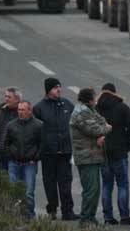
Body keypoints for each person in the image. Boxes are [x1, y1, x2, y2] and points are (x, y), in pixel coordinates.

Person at [33, 77, 78, 221]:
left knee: (66, 182)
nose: (58, 89)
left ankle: (68, 211)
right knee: (50, 182)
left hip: (65, 151)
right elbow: (35, 130)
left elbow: (77, 122)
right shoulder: (39, 108)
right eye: (55, 87)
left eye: (59, 86)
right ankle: (52, 210)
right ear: (48, 90)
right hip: (48, 152)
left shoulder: (67, 104)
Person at [96, 83, 130, 226]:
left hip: (103, 152)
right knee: (122, 184)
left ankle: (108, 217)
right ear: (115, 92)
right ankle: (124, 216)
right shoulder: (122, 107)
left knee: (107, 185)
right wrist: (126, 140)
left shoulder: (96, 108)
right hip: (120, 151)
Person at [70, 87, 113, 228]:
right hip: (86, 156)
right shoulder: (82, 112)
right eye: (94, 98)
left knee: (94, 189)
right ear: (89, 100)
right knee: (91, 190)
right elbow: (97, 129)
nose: (96, 100)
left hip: (93, 156)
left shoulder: (89, 110)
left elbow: (102, 120)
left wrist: (103, 129)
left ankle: (90, 217)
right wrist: (106, 129)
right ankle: (85, 219)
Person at [5, 100, 43, 220]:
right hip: (14, 163)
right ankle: (15, 215)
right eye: (19, 110)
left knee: (29, 192)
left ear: (29, 111)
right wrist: (10, 155)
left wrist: (35, 158)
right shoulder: (11, 125)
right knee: (13, 190)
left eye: (22, 110)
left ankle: (29, 216)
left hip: (29, 163)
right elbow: (6, 143)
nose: (20, 112)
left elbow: (42, 145)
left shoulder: (38, 125)